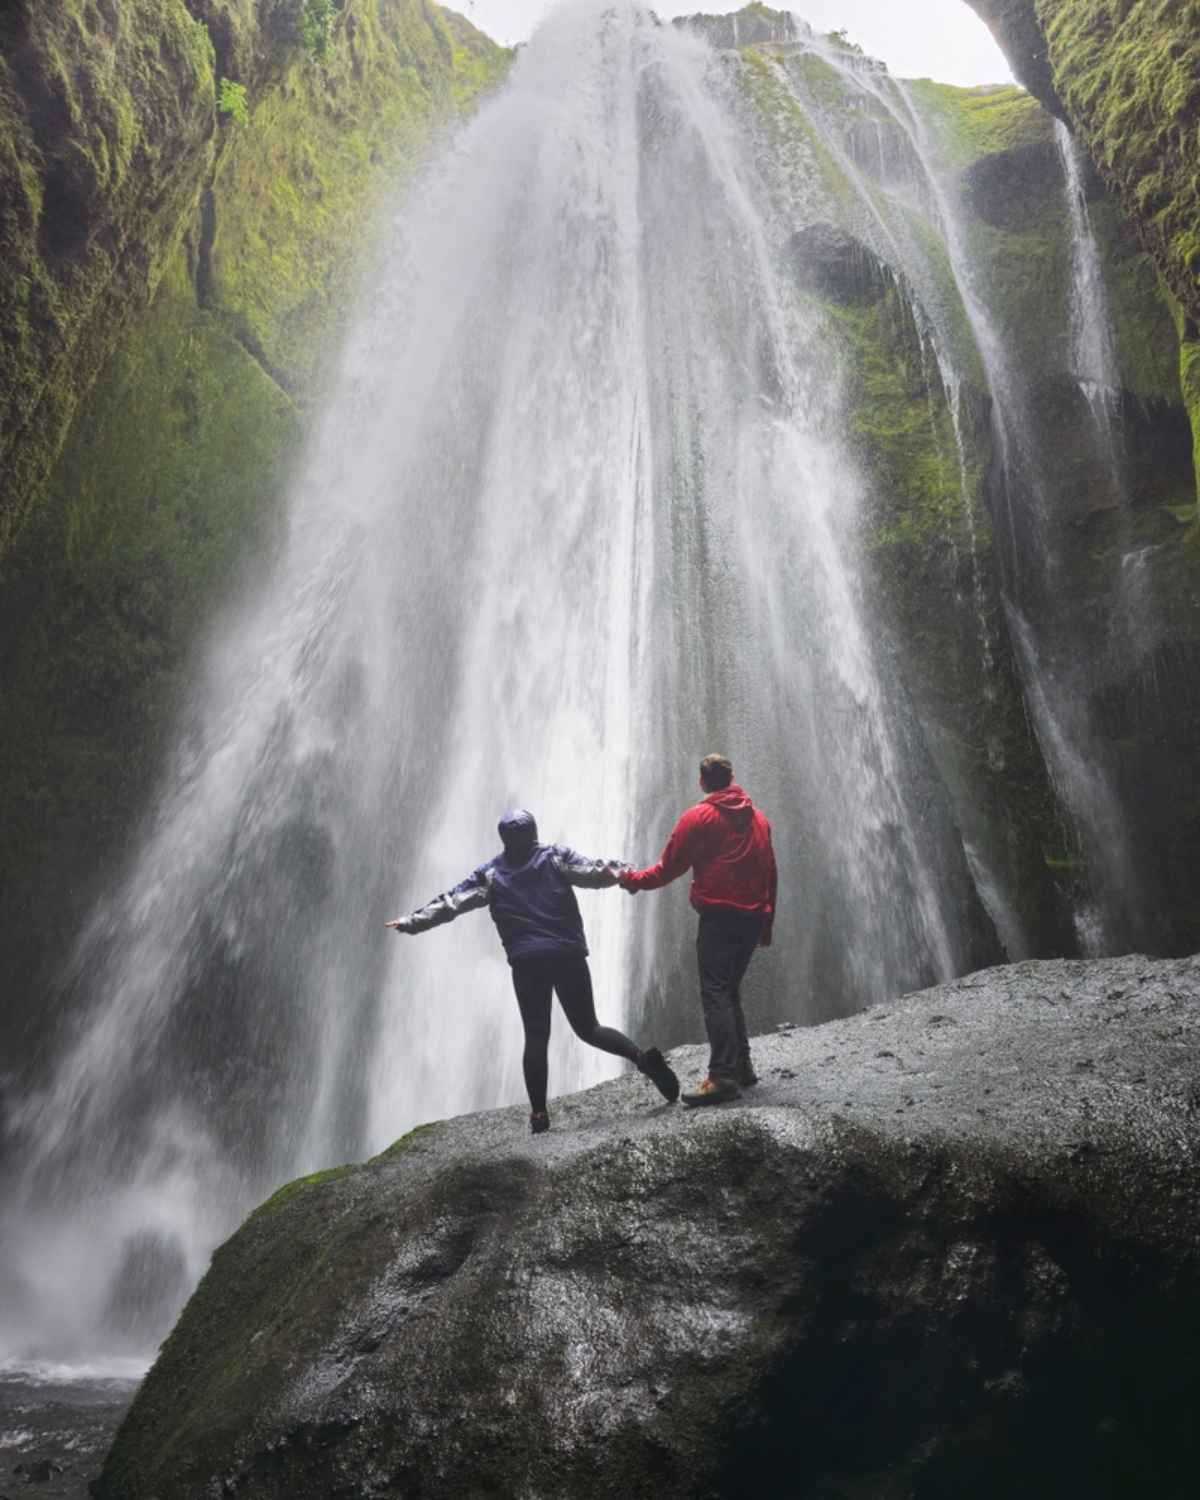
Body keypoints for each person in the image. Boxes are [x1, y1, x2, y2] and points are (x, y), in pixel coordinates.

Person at [386, 809, 679, 1134]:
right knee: (589, 1027)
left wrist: (412, 922)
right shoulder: (555, 857)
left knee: (536, 1036)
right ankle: (641, 1059)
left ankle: (539, 1114)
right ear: (534, 831)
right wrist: (629, 873)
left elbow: (452, 902)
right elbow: (595, 871)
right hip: (568, 955)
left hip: (528, 964)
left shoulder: (491, 874)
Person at [619, 755, 776, 1108]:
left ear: (702, 782)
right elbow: (771, 872)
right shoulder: (760, 820)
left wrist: (632, 881)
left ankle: (722, 1077)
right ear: (732, 777)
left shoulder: (698, 818)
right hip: (751, 918)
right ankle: (742, 1067)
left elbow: (667, 868)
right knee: (729, 989)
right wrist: (767, 921)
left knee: (716, 992)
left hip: (720, 918)